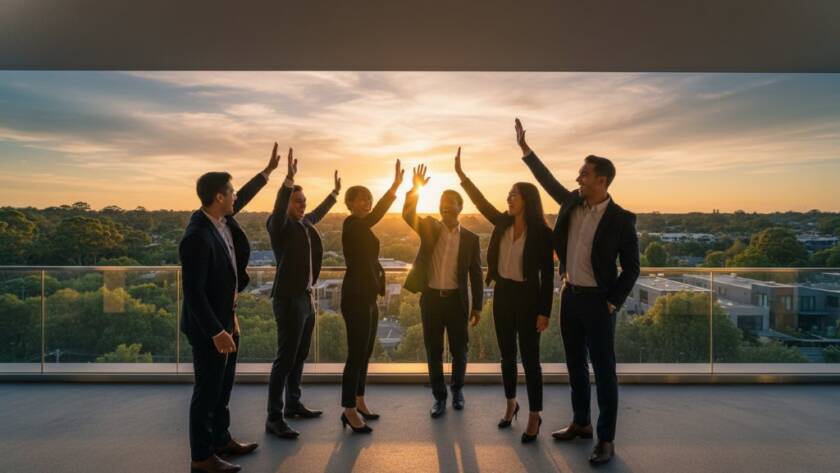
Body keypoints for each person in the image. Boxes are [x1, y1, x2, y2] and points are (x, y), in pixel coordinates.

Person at [516, 118, 640, 464]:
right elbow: (547, 180)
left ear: (602, 180)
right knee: (574, 365)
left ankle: (606, 439)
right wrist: (526, 151)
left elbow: (632, 268)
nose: (578, 179)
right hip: (569, 297)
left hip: (600, 303)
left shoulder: (622, 219)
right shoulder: (571, 203)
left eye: (584, 174)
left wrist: (614, 302)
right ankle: (581, 423)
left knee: (603, 371)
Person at [180, 143, 280, 473]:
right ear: (219, 197)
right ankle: (201, 458)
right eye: (231, 192)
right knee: (206, 392)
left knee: (222, 389)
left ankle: (221, 440)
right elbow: (193, 294)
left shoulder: (221, 220)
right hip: (210, 327)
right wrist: (216, 331)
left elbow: (246, 196)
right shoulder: (196, 236)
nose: (236, 196)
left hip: (227, 319)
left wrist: (266, 173)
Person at [454, 147, 554, 443]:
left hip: (529, 298)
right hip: (503, 295)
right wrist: (462, 176)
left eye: (514, 194)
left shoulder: (541, 233)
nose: (508, 198)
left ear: (527, 200)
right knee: (507, 357)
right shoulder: (502, 223)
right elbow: (480, 201)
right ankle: (511, 404)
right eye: (508, 194)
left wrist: (545, 311)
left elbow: (547, 275)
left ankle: (535, 415)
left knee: (531, 360)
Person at [265, 148, 341, 439]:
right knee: (284, 359)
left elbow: (318, 213)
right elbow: (279, 207)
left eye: (303, 202)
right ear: (286, 204)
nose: (302, 205)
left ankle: (293, 404)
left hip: (306, 298)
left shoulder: (303, 223)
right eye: (297, 201)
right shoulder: (279, 226)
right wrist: (287, 180)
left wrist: (334, 194)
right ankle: (274, 418)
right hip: (288, 300)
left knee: (299, 356)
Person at [402, 163, 483, 419]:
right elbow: (407, 213)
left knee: (460, 350)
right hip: (432, 301)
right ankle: (439, 397)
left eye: (451, 202)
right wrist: (415, 189)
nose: (446, 205)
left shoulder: (471, 238)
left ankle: (457, 390)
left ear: (460, 208)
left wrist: (478, 306)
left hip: (456, 303)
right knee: (433, 350)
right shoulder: (428, 227)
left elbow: (476, 274)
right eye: (442, 201)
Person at [339, 159, 404, 433]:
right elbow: (377, 215)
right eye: (361, 200)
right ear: (350, 204)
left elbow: (370, 260)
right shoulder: (352, 225)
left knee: (364, 353)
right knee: (355, 355)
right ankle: (348, 409)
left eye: (369, 199)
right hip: (354, 298)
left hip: (367, 297)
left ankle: (359, 401)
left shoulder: (362, 227)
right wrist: (394, 188)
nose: (366, 203)